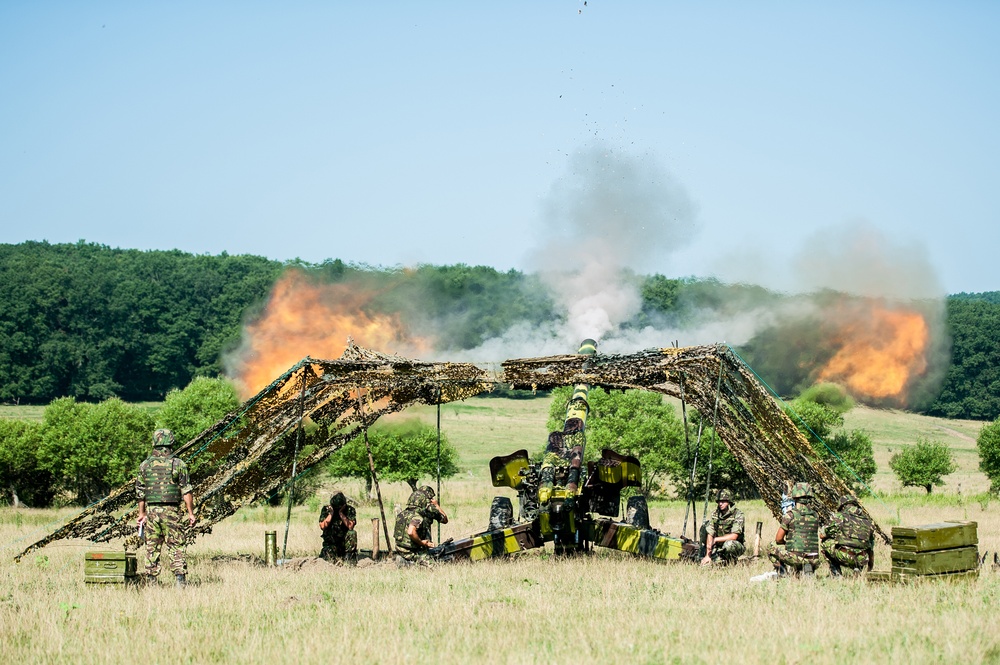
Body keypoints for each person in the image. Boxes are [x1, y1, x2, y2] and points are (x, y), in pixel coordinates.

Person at [136, 429, 196, 586]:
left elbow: (140, 493)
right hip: (172, 512)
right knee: (176, 545)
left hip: (151, 512)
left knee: (151, 547)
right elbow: (186, 491)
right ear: (171, 442)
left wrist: (141, 513)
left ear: (154, 443)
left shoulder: (144, 465)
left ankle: (151, 583)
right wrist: (191, 513)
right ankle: (180, 583)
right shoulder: (178, 464)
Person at [766, 481, 822, 575]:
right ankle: (805, 568)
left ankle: (783, 574)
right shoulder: (815, 515)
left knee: (771, 546)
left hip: (797, 558)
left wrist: (788, 545)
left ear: (795, 496)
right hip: (814, 559)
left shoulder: (790, 515)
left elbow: (778, 539)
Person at [820, 494, 876, 576]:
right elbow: (871, 548)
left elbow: (822, 535)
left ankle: (836, 573)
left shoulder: (839, 517)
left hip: (845, 555)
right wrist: (870, 566)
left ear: (842, 506)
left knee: (825, 542)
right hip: (862, 558)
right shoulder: (868, 521)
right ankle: (857, 569)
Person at [393, 486, 448, 564]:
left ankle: (406, 560)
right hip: (413, 550)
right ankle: (408, 563)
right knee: (434, 566)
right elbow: (411, 532)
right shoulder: (418, 515)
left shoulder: (403, 514)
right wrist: (422, 543)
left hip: (399, 548)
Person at [700, 489, 746, 566]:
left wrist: (716, 539)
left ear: (729, 502)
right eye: (719, 501)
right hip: (718, 545)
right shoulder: (715, 514)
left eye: (723, 501)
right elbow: (710, 532)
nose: (720, 504)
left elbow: (734, 536)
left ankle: (731, 561)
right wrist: (708, 554)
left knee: (729, 545)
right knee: (705, 527)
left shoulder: (737, 514)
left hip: (735, 545)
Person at [319, 492, 358, 563]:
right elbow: (322, 526)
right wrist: (331, 514)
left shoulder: (349, 510)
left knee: (352, 533)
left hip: (345, 543)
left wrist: (341, 513)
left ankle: (349, 557)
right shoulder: (326, 509)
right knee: (328, 558)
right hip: (331, 543)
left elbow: (350, 526)